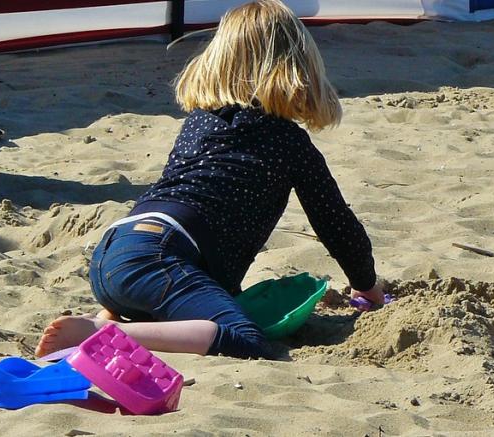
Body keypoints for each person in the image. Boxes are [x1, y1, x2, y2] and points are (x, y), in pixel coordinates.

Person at [35, 0, 384, 360]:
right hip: (157, 257)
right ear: (300, 67)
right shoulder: (288, 141)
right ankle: (104, 331)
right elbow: (335, 223)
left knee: (186, 300)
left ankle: (116, 313)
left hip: (113, 253)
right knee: (245, 338)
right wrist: (367, 286)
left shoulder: (200, 122)